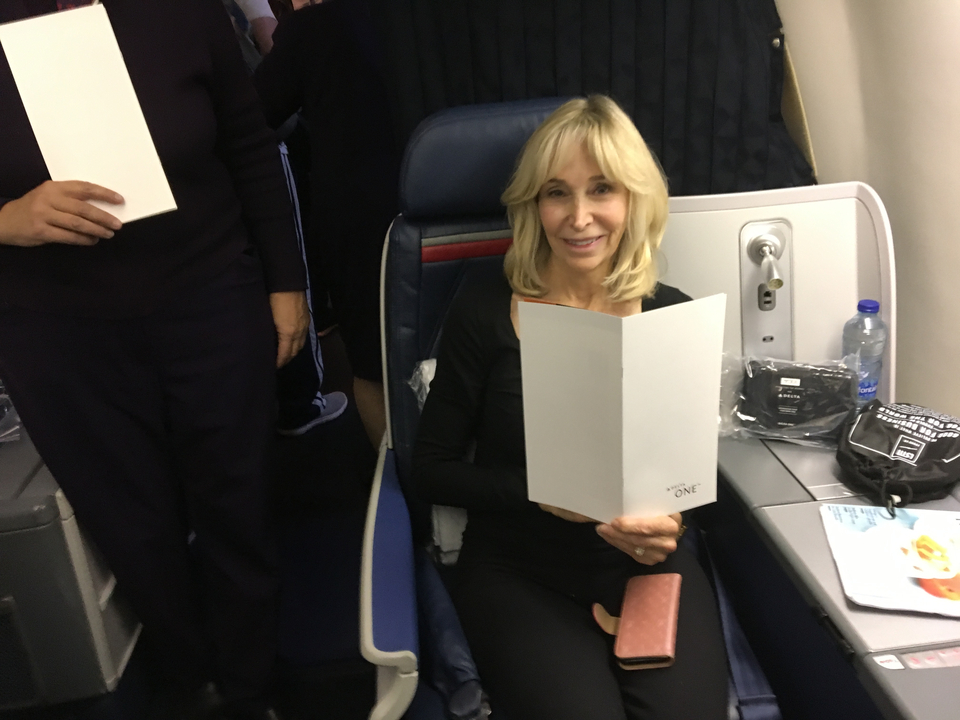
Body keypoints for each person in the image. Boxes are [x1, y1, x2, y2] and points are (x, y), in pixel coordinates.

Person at [0, 1, 307, 717]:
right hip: (54, 326)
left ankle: (252, 685)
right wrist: (7, 219)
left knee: (238, 502)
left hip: (208, 289)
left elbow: (250, 145)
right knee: (131, 523)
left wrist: (288, 283)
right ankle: (187, 678)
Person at [412, 96, 729, 720]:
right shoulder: (485, 312)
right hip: (518, 571)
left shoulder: (671, 316)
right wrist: (539, 494)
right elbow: (429, 470)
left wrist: (669, 525)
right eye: (557, 193)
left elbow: (683, 483)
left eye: (601, 189)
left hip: (643, 567)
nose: (579, 217)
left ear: (633, 199)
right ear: (534, 205)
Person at [254, 0, 399, 448]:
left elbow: (253, 115)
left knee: (375, 368)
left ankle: (398, 483)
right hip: (457, 196)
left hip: (363, 218)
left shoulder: (316, 27)